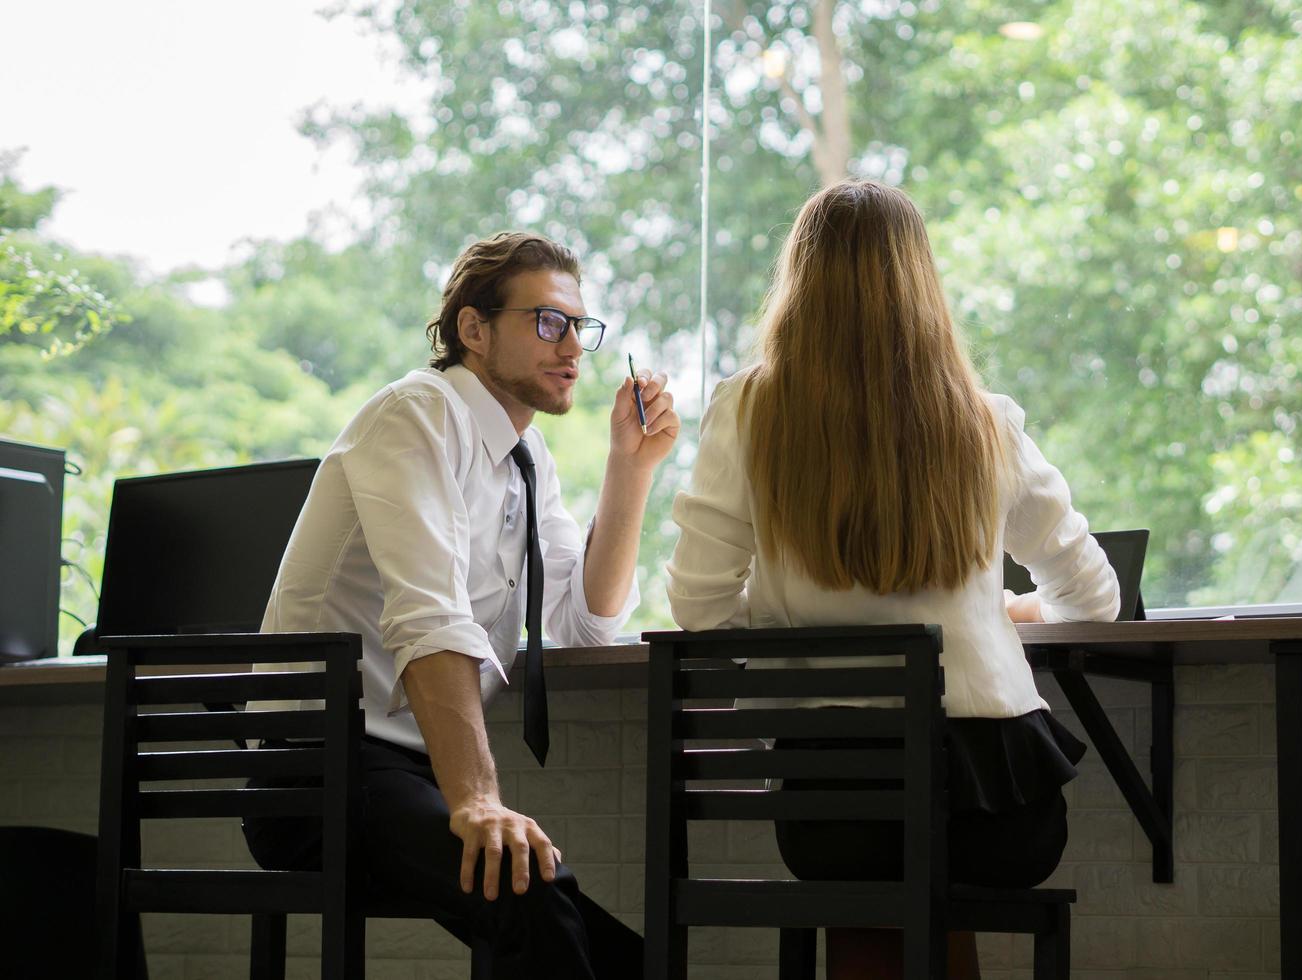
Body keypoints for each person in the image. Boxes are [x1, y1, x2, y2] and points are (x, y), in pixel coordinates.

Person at [665, 180, 1119, 980]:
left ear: (798, 282)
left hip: (832, 807)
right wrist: (1006, 609)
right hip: (1000, 809)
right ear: (922, 283)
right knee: (933, 875)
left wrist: (788, 618)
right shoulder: (985, 420)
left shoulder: (747, 411)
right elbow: (1094, 598)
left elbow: (698, 608)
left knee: (869, 874)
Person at [243, 232, 678, 979]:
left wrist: (629, 470)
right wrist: (477, 801)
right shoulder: (416, 415)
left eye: (580, 326)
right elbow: (429, 617)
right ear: (473, 330)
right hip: (316, 776)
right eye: (547, 321)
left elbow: (586, 623)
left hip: (405, 775)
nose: (572, 344)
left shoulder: (525, 457)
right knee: (530, 894)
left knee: (617, 953)